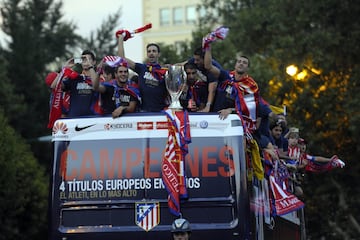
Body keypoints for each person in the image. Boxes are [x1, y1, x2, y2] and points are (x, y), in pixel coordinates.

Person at [117, 34, 168, 112]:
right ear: (147, 54)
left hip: (161, 112)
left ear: (159, 54)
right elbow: (122, 59)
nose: (151, 53)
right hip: (144, 112)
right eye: (149, 51)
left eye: (154, 51)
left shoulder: (165, 71)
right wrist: (120, 39)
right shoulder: (141, 68)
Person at [61, 50, 101, 117]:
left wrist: (90, 66)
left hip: (92, 118)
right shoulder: (75, 78)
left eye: (88, 59)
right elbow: (58, 86)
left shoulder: (99, 79)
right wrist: (64, 69)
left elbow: (96, 85)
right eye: (83, 59)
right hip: (74, 118)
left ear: (94, 62)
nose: (86, 61)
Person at [185, 47, 221, 112]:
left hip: (218, 92)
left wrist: (208, 107)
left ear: (204, 59)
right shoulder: (195, 61)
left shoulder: (212, 69)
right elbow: (183, 64)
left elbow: (212, 90)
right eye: (194, 59)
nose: (195, 62)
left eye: (197, 60)